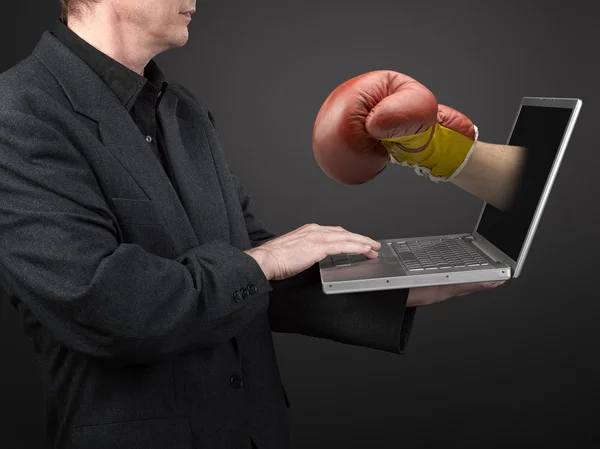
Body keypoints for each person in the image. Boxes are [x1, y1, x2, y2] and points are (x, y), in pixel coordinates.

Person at [0, 1, 503, 448]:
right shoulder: (19, 112)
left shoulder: (185, 112)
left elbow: (251, 277)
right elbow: (107, 302)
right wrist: (262, 261)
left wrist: (395, 280)